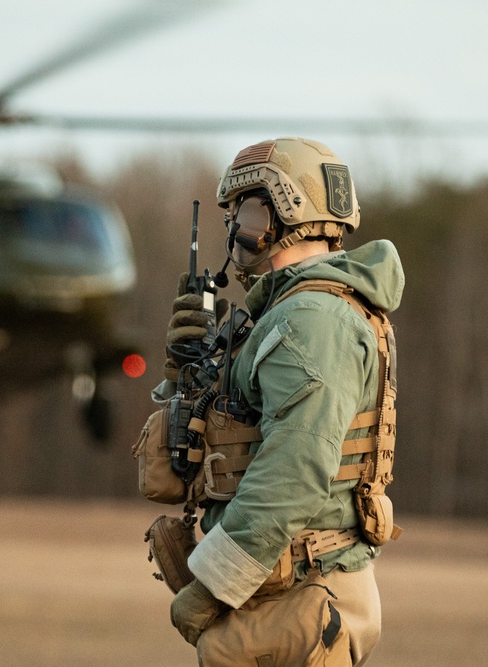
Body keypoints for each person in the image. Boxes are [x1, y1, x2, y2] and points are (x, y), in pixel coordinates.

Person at [159, 137, 404, 666]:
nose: (235, 231)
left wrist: (211, 587)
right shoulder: (288, 314)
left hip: (299, 600)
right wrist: (185, 369)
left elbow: (295, 470)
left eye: (243, 212)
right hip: (279, 594)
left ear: (280, 213)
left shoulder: (311, 321)